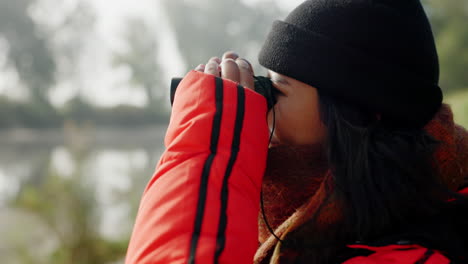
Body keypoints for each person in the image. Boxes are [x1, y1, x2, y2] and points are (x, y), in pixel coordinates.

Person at [125, 0, 468, 263]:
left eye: (278, 90)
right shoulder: (366, 213)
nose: (260, 104)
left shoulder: (416, 252)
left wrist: (206, 153)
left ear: (358, 116)